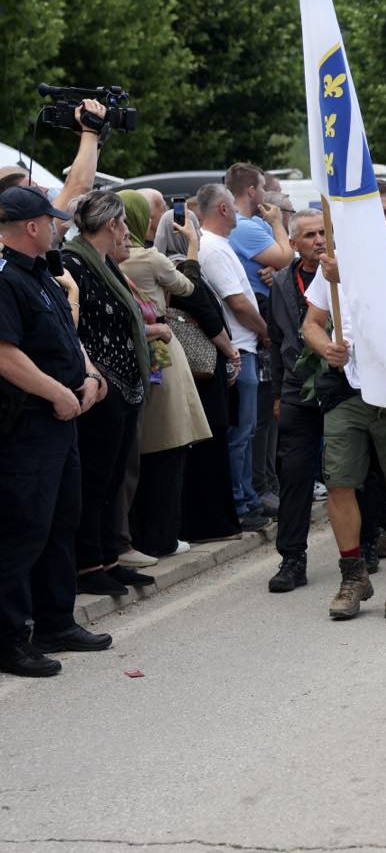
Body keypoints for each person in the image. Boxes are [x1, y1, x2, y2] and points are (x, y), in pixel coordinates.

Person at [303, 183, 386, 619]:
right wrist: (327, 348)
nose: (384, 218)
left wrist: (350, 275)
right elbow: (313, 323)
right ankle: (353, 576)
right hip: (348, 390)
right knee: (340, 483)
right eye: (374, 212)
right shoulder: (336, 267)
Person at [0, 185, 112, 676]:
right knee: (23, 530)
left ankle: (54, 621)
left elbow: (65, 336)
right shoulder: (6, 279)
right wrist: (56, 392)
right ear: (31, 227)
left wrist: (87, 376)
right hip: (28, 425)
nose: (55, 226)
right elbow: (6, 354)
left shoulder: (42, 273)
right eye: (50, 220)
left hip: (61, 422)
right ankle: (9, 639)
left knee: (61, 521)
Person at [60, 192, 150, 597]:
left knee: (112, 478)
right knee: (95, 480)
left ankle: (109, 558)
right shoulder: (72, 263)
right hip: (100, 385)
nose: (128, 232)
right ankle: (89, 564)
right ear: (113, 224)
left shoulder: (109, 264)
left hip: (124, 385)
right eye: (124, 225)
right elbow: (76, 327)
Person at [116, 190, 211, 566]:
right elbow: (188, 287)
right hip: (162, 355)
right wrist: (191, 244)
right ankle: (163, 536)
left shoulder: (114, 262)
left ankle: (141, 533)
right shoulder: (149, 258)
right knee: (171, 444)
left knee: (142, 454)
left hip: (138, 361)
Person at [152, 211, 242, 544]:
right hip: (202, 375)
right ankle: (212, 525)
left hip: (187, 373)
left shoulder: (162, 267)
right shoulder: (178, 271)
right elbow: (205, 312)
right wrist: (231, 352)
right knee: (209, 451)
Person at [195, 183, 271, 530]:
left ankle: (246, 498)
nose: (239, 215)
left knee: (247, 429)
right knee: (241, 432)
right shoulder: (212, 249)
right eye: (234, 209)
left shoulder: (217, 246)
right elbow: (237, 302)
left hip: (244, 345)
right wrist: (265, 330)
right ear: (223, 210)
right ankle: (240, 503)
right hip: (239, 347)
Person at [266, 208, 327, 593]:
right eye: (309, 235)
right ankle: (292, 558)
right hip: (296, 389)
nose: (319, 240)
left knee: (350, 470)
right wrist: (276, 392)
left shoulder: (340, 276)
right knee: (295, 474)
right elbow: (275, 340)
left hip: (341, 386)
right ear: (293, 243)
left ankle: (368, 539)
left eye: (323, 233)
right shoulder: (282, 283)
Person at [226, 164, 291, 518]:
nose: (266, 195)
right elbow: (286, 256)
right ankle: (256, 490)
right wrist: (278, 224)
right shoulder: (248, 226)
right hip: (253, 332)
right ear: (251, 190)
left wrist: (280, 265)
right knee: (257, 420)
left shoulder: (251, 224)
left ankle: (262, 486)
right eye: (263, 187)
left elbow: (283, 262)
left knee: (265, 416)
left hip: (258, 329)